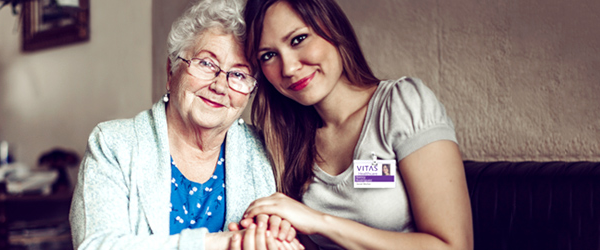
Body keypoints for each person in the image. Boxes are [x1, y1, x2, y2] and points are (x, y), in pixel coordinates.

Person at [233, 0, 474, 249]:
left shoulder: (402, 104)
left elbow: (455, 246)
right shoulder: (286, 140)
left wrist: (321, 222)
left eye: (298, 39)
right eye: (269, 55)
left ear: (331, 28)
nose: (290, 68)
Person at [69, 0, 294, 249]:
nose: (220, 86)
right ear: (171, 72)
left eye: (239, 74)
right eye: (206, 63)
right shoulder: (113, 144)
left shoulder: (265, 153)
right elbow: (95, 245)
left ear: (250, 92)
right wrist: (222, 243)